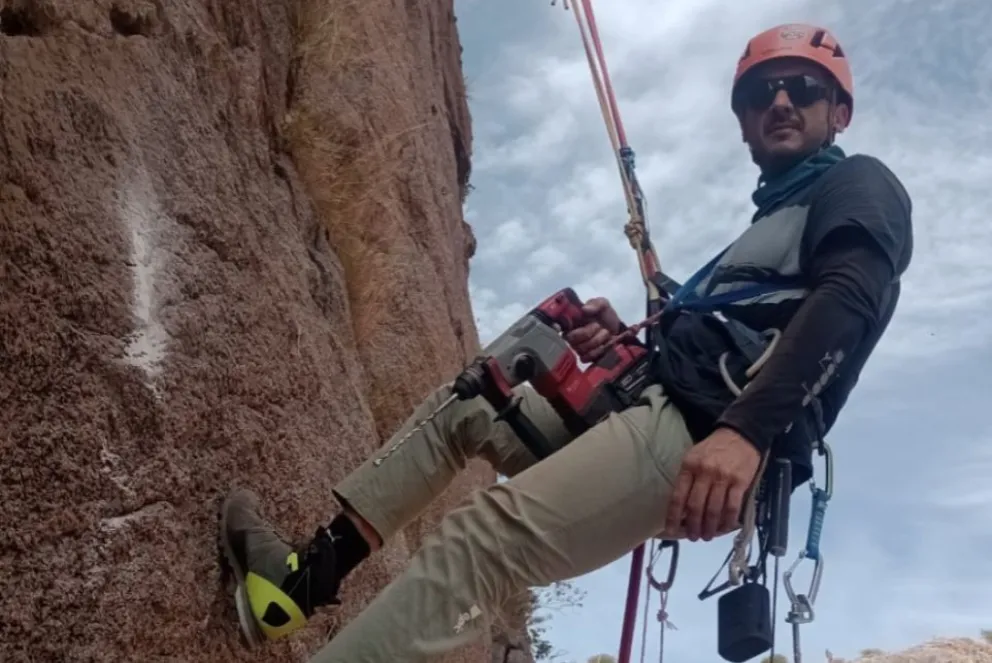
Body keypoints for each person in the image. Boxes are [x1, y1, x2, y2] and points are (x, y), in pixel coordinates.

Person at [218, 22, 913, 662]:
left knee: (481, 543)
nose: (782, 101)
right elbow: (750, 325)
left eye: (805, 89)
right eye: (763, 92)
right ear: (744, 124)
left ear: (839, 113)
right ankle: (297, 583)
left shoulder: (861, 184)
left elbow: (852, 300)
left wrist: (746, 433)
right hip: (658, 411)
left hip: (700, 433)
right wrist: (642, 334)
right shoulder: (771, 224)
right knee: (475, 406)